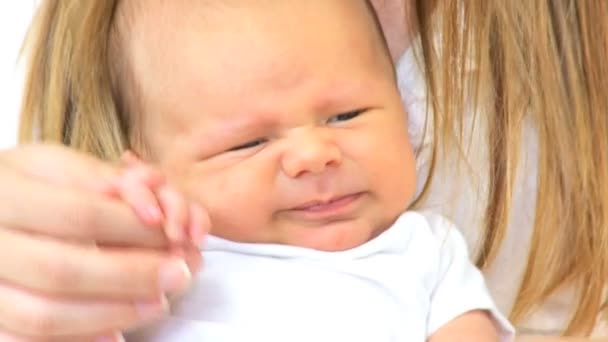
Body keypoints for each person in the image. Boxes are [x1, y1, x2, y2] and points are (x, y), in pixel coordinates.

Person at [0, 0, 605, 341]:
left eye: (347, 114)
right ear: (150, 172)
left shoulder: (420, 249)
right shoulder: (160, 260)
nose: (314, 154)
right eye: (249, 142)